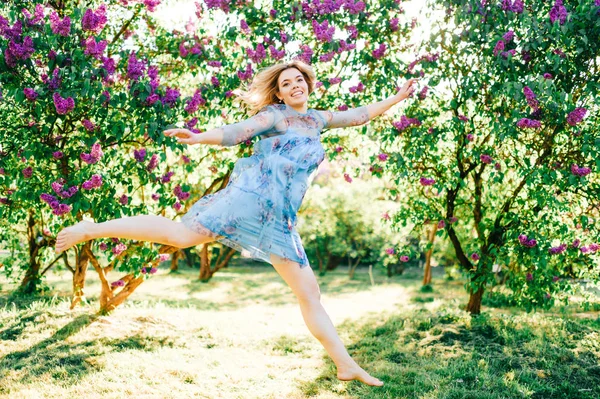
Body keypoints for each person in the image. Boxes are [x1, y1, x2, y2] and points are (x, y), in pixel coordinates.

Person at [55, 60, 418, 386]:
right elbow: (236, 132)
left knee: (310, 294)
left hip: (279, 220)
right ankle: (91, 229)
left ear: (308, 84)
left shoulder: (319, 119)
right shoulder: (275, 116)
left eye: (299, 80)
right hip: (250, 200)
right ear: (278, 92)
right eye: (287, 83)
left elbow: (360, 114)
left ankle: (345, 365)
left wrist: (398, 98)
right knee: (181, 236)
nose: (295, 86)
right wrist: (200, 137)